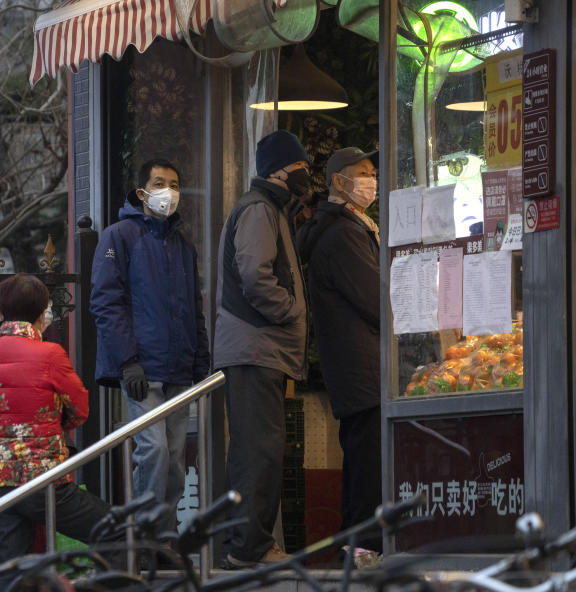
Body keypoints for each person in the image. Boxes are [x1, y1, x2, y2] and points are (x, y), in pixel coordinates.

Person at [0, 273, 119, 592]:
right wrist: (56, 424)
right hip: (42, 479)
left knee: (11, 576)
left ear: (1, 312)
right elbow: (80, 405)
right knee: (112, 531)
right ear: (42, 314)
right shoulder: (50, 353)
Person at [90, 158, 210, 533]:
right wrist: (127, 361)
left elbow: (194, 307)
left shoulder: (182, 245)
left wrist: (200, 360)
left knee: (174, 457)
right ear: (142, 192)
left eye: (174, 184)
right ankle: (145, 535)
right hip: (142, 368)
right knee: (154, 451)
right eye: (160, 183)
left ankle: (163, 534)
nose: (168, 192)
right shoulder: (119, 236)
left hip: (178, 368)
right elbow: (105, 301)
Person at [214, 130, 310, 568]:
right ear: (278, 171)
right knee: (259, 452)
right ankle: (248, 551)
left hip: (259, 350)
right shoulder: (258, 210)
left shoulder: (268, 208)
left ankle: (251, 547)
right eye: (301, 170)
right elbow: (256, 276)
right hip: (256, 349)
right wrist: (289, 311)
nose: (307, 177)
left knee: (260, 451)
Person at [295, 147, 381, 552]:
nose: (371, 180)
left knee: (364, 457)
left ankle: (359, 544)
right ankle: (363, 547)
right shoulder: (344, 232)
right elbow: (375, 300)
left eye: (372, 172)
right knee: (369, 463)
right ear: (339, 182)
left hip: (355, 365)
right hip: (362, 366)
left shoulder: (349, 225)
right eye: (362, 173)